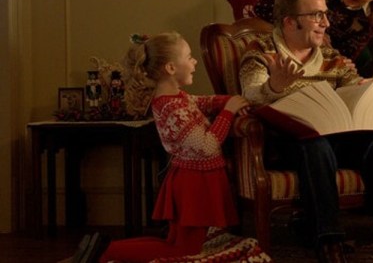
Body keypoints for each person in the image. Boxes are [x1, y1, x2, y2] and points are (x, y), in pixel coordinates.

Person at [239, 0, 373, 263]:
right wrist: (274, 87)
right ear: (290, 22)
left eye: (325, 14)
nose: (326, 23)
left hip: (334, 137)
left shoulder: (331, 57)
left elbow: (352, 85)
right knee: (315, 146)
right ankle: (329, 245)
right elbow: (251, 96)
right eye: (316, 16)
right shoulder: (261, 52)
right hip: (286, 144)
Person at [73, 32, 251, 263]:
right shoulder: (171, 107)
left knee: (175, 243)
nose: (194, 61)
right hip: (195, 183)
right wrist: (229, 112)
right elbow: (207, 145)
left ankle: (105, 247)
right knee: (183, 250)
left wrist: (227, 101)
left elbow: (204, 101)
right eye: (188, 57)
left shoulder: (177, 98)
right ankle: (106, 253)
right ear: (170, 68)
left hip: (194, 178)